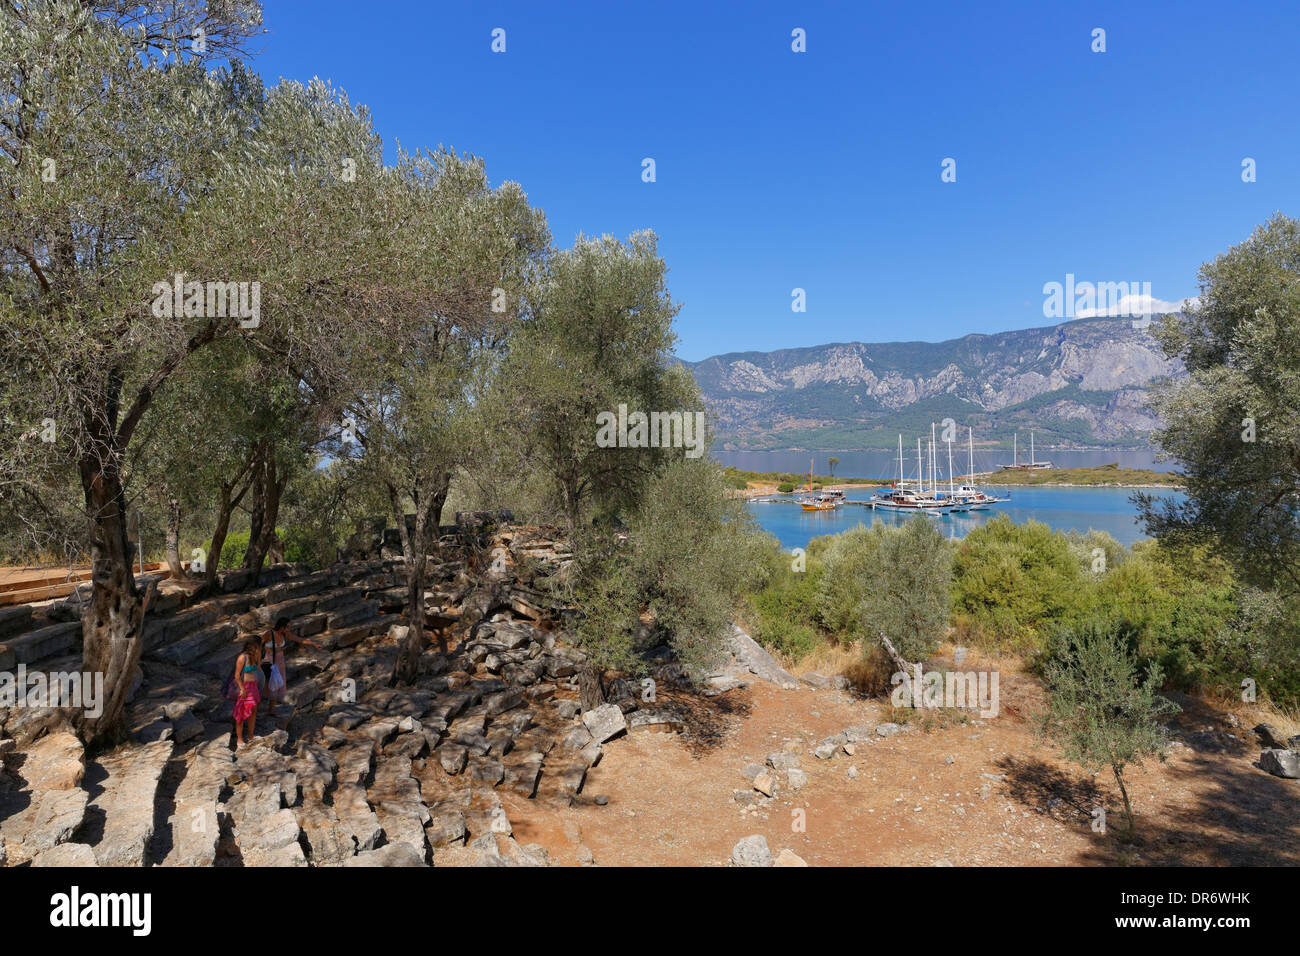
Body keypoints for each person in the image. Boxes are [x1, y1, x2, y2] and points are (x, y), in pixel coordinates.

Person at [261, 617, 322, 712]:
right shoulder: (269, 634)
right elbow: (259, 645)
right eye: (287, 626)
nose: (289, 629)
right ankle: (266, 708)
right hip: (270, 660)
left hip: (280, 660)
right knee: (271, 682)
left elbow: (299, 640)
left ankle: (271, 710)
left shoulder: (285, 634)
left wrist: (313, 644)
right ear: (282, 626)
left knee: (277, 683)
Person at [233, 638, 262, 749]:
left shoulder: (255, 656)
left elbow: (258, 668)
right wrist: (242, 689)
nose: (260, 649)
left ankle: (250, 735)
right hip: (245, 687)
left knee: (253, 710)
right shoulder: (242, 658)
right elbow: (236, 675)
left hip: (253, 686)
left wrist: (258, 657)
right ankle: (239, 739)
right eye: (259, 647)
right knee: (240, 713)